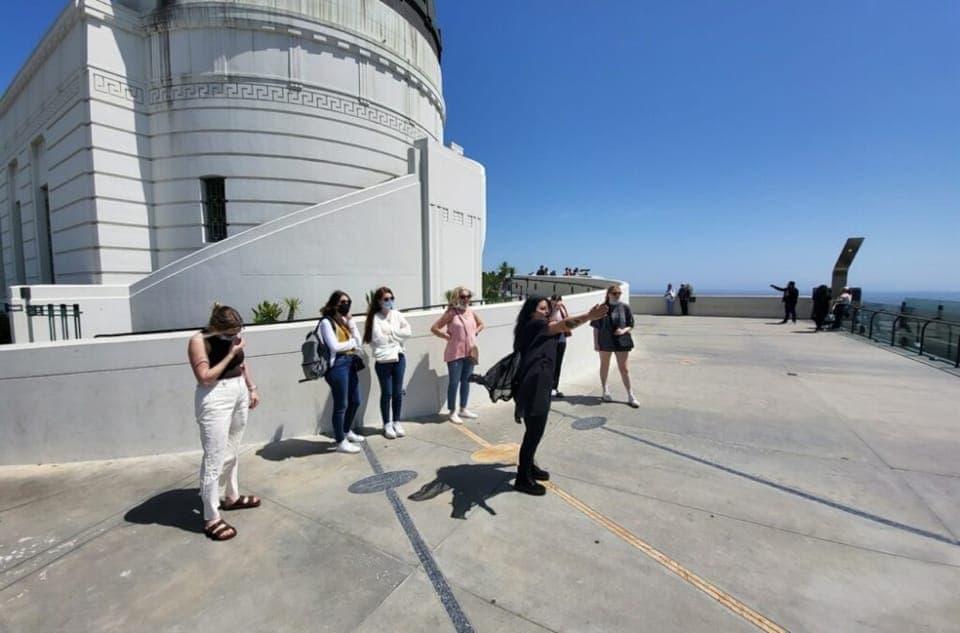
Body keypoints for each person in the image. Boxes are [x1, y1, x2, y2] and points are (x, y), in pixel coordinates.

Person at [513, 296, 608, 495]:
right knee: (534, 432)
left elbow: (559, 325)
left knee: (534, 429)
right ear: (531, 311)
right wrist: (589, 316)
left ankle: (529, 466)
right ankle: (523, 477)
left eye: (548, 309)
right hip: (534, 384)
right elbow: (563, 325)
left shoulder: (534, 324)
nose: (546, 312)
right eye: (542, 308)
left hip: (539, 382)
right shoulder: (534, 325)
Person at [187, 304, 261, 542]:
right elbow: (205, 377)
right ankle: (211, 516)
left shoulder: (234, 336)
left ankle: (231, 496)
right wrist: (230, 352)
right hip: (215, 396)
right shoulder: (199, 340)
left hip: (238, 390)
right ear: (216, 327)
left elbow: (242, 362)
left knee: (232, 448)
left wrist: (251, 387)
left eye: (237, 332)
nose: (234, 336)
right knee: (214, 456)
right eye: (229, 333)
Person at [319, 290, 365, 454]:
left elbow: (359, 342)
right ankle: (340, 441)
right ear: (334, 304)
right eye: (342, 302)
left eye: (348, 302)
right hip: (337, 366)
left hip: (350, 362)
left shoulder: (344, 321)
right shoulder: (327, 322)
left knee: (356, 400)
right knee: (341, 404)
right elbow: (335, 347)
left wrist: (351, 323)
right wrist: (352, 343)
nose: (346, 305)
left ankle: (346, 431)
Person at [363, 286, 412, 439]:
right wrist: (397, 336)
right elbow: (378, 339)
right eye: (386, 299)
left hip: (399, 357)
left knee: (398, 393)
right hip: (383, 360)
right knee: (387, 393)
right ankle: (387, 424)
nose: (389, 301)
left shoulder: (397, 315)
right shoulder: (374, 318)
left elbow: (408, 332)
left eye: (391, 298)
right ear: (379, 301)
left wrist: (391, 333)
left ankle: (397, 421)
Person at [431, 286, 484, 424]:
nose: (466, 299)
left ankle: (463, 408)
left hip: (470, 352)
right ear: (457, 297)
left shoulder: (471, 312)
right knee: (454, 382)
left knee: (466, 381)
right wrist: (446, 336)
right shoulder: (451, 312)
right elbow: (435, 328)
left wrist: (475, 332)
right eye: (463, 296)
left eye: (468, 296)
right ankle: (452, 411)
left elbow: (481, 324)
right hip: (455, 352)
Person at [591, 285, 640, 408]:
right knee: (605, 365)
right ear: (608, 294)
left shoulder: (624, 307)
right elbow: (596, 327)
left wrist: (623, 331)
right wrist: (596, 343)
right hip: (605, 340)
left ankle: (630, 395)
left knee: (624, 369)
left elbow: (631, 324)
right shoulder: (602, 308)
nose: (617, 295)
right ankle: (605, 390)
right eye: (614, 293)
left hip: (621, 341)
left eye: (619, 293)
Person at [548, 294, 570, 397]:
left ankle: (554, 387)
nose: (556, 303)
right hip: (551, 340)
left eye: (558, 301)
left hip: (561, 339)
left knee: (558, 364)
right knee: (550, 364)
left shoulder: (563, 309)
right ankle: (547, 387)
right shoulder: (548, 310)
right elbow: (550, 321)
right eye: (554, 301)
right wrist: (555, 310)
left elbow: (567, 320)